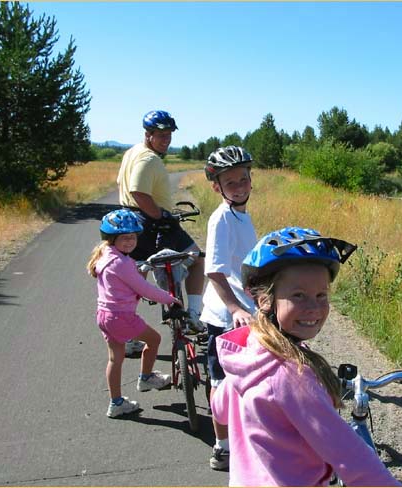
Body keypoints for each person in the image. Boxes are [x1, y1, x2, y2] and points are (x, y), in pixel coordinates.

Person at [210, 227, 402, 486]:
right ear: (265, 299)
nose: (313, 307)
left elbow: (219, 408)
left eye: (321, 295)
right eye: (298, 295)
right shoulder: (293, 376)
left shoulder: (247, 353)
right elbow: (352, 459)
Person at [117, 109, 205, 356]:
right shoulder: (149, 159)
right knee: (197, 259)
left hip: (131, 221)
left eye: (169, 135)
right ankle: (193, 315)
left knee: (135, 278)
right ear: (148, 134)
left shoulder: (131, 153)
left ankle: (128, 336)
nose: (166, 140)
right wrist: (160, 215)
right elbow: (139, 193)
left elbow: (122, 187)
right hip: (150, 222)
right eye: (161, 135)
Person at [87, 209, 178, 418]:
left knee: (115, 358)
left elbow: (122, 279)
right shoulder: (122, 263)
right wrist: (170, 299)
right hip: (121, 316)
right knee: (154, 340)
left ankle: (116, 403)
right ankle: (146, 378)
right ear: (112, 239)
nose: (129, 242)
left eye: (133, 237)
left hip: (104, 315)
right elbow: (144, 289)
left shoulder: (105, 255)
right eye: (124, 238)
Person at [200, 146, 258, 471]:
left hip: (246, 313)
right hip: (225, 317)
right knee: (220, 382)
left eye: (243, 179)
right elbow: (214, 269)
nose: (239, 185)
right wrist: (235, 306)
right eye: (230, 182)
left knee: (245, 379)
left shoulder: (241, 215)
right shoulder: (221, 218)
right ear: (217, 186)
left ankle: (244, 431)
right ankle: (221, 446)